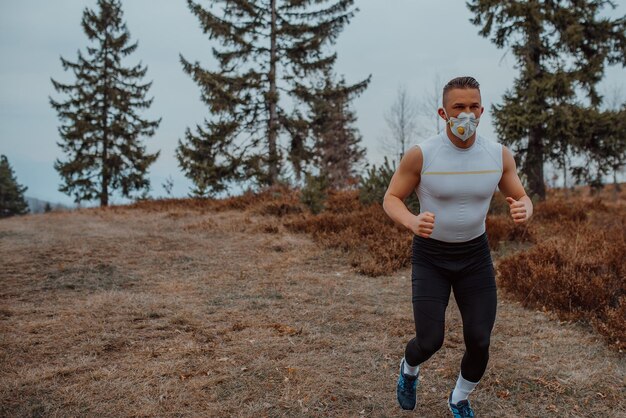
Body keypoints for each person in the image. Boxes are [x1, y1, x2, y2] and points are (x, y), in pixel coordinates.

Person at [382, 76, 533, 417]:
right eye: (458, 107)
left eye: (473, 107)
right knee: (430, 340)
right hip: (431, 256)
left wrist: (526, 207)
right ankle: (409, 370)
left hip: (475, 257)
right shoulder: (423, 155)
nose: (467, 114)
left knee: (479, 341)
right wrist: (411, 221)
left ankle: (460, 398)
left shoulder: (497, 155)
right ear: (443, 112)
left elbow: (522, 195)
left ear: (482, 109)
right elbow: (391, 198)